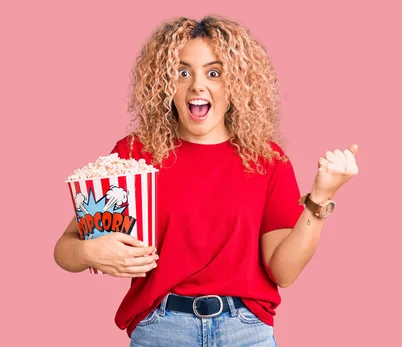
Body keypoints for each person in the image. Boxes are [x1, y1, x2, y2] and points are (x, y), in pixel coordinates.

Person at [54, 15, 359, 346]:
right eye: (182, 72)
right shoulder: (134, 154)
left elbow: (283, 272)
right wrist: (88, 253)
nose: (197, 85)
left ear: (237, 85)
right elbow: (65, 249)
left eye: (214, 73)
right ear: (164, 83)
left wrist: (320, 197)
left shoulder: (266, 159)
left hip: (246, 331)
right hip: (161, 330)